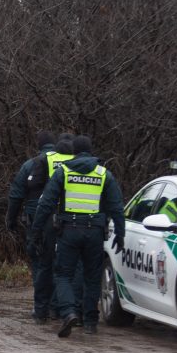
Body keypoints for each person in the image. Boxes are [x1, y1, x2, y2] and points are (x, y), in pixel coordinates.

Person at [28, 135, 125, 337]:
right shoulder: (104, 174)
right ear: (91, 151)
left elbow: (46, 204)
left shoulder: (63, 172)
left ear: (73, 152)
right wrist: (120, 234)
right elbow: (116, 207)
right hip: (95, 232)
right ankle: (90, 322)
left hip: (69, 231)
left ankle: (69, 312)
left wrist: (36, 231)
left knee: (63, 275)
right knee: (92, 277)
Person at [6, 131, 59, 323]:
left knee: (40, 264)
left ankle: (41, 309)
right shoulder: (66, 164)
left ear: (39, 146)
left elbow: (16, 195)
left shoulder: (30, 165)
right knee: (60, 265)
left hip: (36, 221)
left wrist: (10, 220)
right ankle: (57, 307)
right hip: (63, 222)